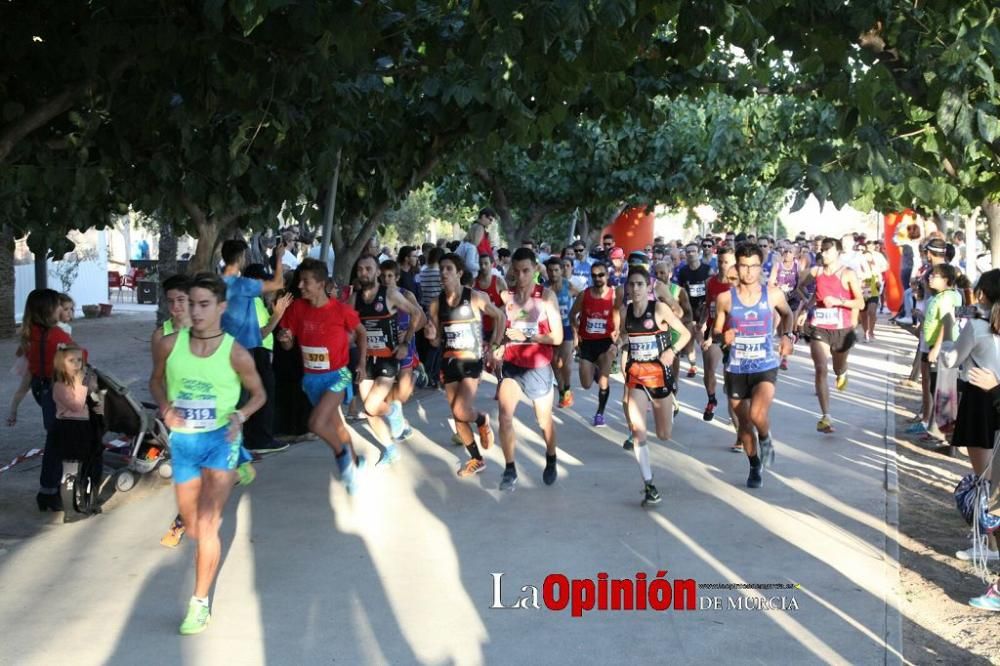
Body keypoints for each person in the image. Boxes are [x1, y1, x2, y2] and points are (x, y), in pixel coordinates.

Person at [148, 273, 267, 635]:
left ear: (220, 307)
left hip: (220, 443)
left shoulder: (236, 353)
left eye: (204, 305)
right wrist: (166, 407)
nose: (196, 312)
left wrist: (240, 415)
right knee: (195, 526)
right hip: (184, 444)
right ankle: (243, 465)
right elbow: (156, 380)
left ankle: (199, 603)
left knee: (209, 524)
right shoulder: (169, 345)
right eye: (191, 304)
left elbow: (259, 394)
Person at [276, 259, 368, 489]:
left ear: (321, 284)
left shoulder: (341, 310)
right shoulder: (297, 309)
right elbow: (288, 344)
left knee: (316, 423)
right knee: (336, 426)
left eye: (306, 282)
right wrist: (285, 339)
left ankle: (343, 459)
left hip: (338, 377)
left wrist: (362, 364)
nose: (300, 286)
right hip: (311, 380)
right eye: (299, 281)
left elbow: (362, 333)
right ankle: (356, 462)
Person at [713, 243, 795, 488]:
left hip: (764, 364)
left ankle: (766, 436)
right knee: (744, 425)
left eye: (754, 266)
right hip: (736, 367)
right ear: (736, 267)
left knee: (757, 414)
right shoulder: (725, 299)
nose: (749, 272)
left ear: (761, 266)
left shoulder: (773, 294)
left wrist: (788, 337)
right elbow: (716, 331)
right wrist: (722, 336)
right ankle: (754, 464)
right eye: (744, 266)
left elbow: (788, 314)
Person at [941, 269, 1000, 562]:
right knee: (993, 480)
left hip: (980, 403)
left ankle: (989, 546)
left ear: (984, 294)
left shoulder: (977, 327)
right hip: (997, 399)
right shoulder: (985, 322)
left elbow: (952, 359)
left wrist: (947, 336)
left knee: (985, 481)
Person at [619, 266, 691, 506]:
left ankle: (672, 404)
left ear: (648, 286)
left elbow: (684, 334)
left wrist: (671, 350)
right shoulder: (624, 312)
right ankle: (649, 485)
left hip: (659, 377)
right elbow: (625, 338)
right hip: (637, 377)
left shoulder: (658, 309)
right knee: (639, 433)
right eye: (632, 285)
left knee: (663, 435)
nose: (635, 289)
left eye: (640, 284)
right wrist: (618, 347)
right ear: (627, 288)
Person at [429, 253, 505, 476]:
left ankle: (482, 419)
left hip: (471, 361)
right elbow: (435, 339)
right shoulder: (436, 304)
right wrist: (431, 335)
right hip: (449, 361)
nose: (443, 273)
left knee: (461, 409)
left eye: (449, 269)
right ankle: (476, 459)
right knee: (457, 415)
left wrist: (495, 344)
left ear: (459, 273)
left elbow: (500, 316)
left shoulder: (475, 297)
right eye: (441, 268)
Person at [496, 248, 564, 491]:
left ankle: (551, 455)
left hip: (538, 366)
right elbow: (505, 332)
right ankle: (510, 468)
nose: (521, 276)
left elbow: (557, 337)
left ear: (535, 269)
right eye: (517, 271)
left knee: (544, 422)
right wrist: (498, 347)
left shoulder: (545, 297)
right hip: (512, 366)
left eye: (526, 271)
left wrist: (526, 335)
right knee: (504, 416)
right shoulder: (508, 298)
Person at [17, 289, 85, 511]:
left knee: (56, 436)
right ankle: (49, 491)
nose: (61, 310)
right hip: (55, 389)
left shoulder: (32, 332)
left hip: (40, 387)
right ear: (49, 310)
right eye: (59, 306)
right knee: (57, 441)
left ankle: (50, 490)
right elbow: (80, 357)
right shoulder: (57, 336)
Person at [220, 239, 289, 453]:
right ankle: (234, 451)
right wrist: (278, 257)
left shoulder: (217, 284)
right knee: (245, 400)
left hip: (222, 347)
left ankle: (234, 448)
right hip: (245, 350)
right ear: (241, 258)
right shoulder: (242, 285)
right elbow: (278, 283)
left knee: (230, 399)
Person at [353, 255, 423, 462]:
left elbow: (417, 314)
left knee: (371, 406)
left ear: (376, 273)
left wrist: (405, 342)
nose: (364, 273)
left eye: (368, 269)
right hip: (367, 358)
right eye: (360, 269)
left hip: (387, 358)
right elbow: (348, 325)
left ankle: (393, 412)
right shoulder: (354, 298)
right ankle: (390, 449)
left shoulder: (391, 294)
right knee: (370, 411)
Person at [798, 238, 864, 434]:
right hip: (819, 325)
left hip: (841, 328)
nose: (824, 254)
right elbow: (801, 287)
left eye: (828, 251)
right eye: (822, 251)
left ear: (838, 252)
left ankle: (842, 372)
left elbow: (860, 302)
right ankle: (826, 416)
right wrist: (806, 308)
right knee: (820, 368)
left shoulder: (847, 274)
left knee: (837, 366)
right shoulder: (816, 272)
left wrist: (838, 300)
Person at [51, 343, 102, 519]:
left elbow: (94, 398)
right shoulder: (60, 385)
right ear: (61, 363)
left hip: (82, 426)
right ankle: (69, 512)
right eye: (72, 360)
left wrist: (91, 385)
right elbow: (77, 405)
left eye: (79, 360)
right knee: (70, 470)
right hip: (68, 427)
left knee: (79, 469)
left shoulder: (77, 381)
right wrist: (83, 385)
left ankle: (77, 505)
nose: (77, 364)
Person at [569, 261, 620, 427]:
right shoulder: (585, 295)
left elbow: (622, 319)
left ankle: (600, 413)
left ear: (607, 275)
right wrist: (577, 334)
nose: (597, 278)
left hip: (606, 343)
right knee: (586, 384)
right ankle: (597, 371)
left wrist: (617, 340)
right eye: (594, 275)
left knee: (604, 382)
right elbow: (572, 315)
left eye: (601, 275)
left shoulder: (613, 295)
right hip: (588, 343)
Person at [380, 260, 426, 408]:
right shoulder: (377, 295)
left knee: (404, 394)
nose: (386, 280)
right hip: (384, 345)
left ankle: (416, 372)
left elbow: (423, 319)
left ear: (397, 277)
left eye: (390, 276)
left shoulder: (406, 295)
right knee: (382, 391)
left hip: (405, 343)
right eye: (383, 276)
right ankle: (394, 413)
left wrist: (408, 333)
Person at [699, 246, 736, 420]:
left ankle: (735, 409)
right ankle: (711, 400)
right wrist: (702, 324)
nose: (722, 265)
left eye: (726, 262)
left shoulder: (737, 284)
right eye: (720, 261)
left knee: (730, 377)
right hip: (714, 332)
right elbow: (708, 306)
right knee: (708, 369)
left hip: (733, 335)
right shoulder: (710, 282)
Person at [676, 242, 712, 378]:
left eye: (693, 251)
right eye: (688, 251)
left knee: (702, 337)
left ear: (698, 253)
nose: (691, 254)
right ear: (685, 254)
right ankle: (693, 365)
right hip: (689, 309)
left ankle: (708, 364)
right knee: (690, 337)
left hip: (704, 309)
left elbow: (711, 288)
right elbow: (680, 290)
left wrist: (707, 303)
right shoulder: (683, 271)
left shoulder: (707, 269)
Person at [546, 258, 578, 407]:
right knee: (554, 363)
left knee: (565, 363)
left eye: (556, 270)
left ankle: (567, 389)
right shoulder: (544, 289)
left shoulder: (568, 285)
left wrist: (577, 318)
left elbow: (582, 297)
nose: (553, 273)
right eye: (550, 270)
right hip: (550, 329)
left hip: (566, 328)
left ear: (561, 271)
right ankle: (561, 391)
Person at [768, 245, 800, 370]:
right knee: (778, 327)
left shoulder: (797, 266)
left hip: (792, 299)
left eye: (790, 252)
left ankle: (785, 358)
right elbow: (770, 281)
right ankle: (772, 351)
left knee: (789, 330)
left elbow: (800, 283)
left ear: (795, 255)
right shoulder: (778, 265)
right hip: (780, 299)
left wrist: (793, 292)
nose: (787, 253)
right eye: (785, 251)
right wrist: (778, 288)